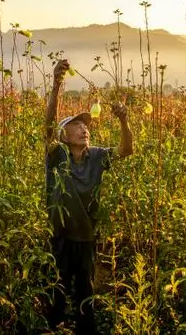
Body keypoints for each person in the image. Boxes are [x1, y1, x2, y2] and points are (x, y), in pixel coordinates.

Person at [44, 59, 133, 333]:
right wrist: (57, 86)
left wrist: (123, 120)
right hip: (59, 237)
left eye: (86, 126)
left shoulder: (97, 156)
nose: (85, 128)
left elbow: (126, 150)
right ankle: (54, 325)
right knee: (56, 293)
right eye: (77, 126)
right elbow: (47, 127)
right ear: (64, 134)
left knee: (85, 295)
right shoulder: (57, 156)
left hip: (86, 237)